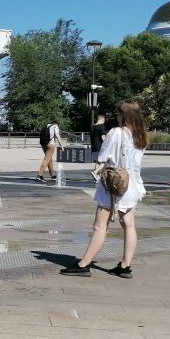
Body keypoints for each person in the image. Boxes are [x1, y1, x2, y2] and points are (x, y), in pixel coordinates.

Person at [61, 99, 148, 279]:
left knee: (100, 226)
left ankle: (83, 264)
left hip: (113, 183)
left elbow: (103, 156)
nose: (116, 116)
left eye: (118, 113)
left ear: (124, 115)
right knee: (129, 225)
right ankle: (125, 266)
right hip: (131, 184)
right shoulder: (140, 136)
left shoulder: (116, 133)